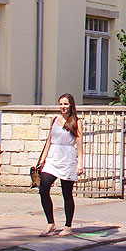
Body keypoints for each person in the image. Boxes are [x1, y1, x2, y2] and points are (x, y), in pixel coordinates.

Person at [37, 93, 83, 236]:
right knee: (43, 188)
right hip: (53, 157)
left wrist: (80, 163)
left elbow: (80, 144)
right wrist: (42, 160)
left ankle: (68, 226)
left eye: (66, 104)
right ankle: (50, 223)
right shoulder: (55, 120)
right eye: (61, 104)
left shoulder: (76, 121)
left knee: (66, 193)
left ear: (71, 105)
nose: (63, 107)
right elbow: (49, 141)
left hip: (67, 157)